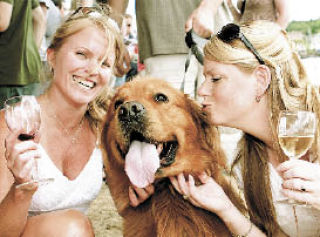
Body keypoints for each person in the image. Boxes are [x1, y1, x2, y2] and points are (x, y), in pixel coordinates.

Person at [170, 20, 320, 236]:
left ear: (260, 79)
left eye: (215, 78)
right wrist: (226, 209)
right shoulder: (246, 164)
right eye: (205, 79)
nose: (202, 90)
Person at [0, 7, 131, 236]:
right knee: (72, 227)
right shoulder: (12, 123)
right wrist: (21, 188)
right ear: (52, 55)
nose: (92, 70)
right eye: (81, 54)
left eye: (104, 64)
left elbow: (126, 203)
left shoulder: (103, 128)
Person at [109, 0, 233, 98]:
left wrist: (208, 7)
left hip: (217, 33)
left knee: (224, 125)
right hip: (163, 35)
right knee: (169, 122)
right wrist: (114, 37)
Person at [0, 0, 46, 109]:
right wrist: (31, 52)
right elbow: (40, 19)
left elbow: (2, 21)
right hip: (26, 70)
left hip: (8, 74)